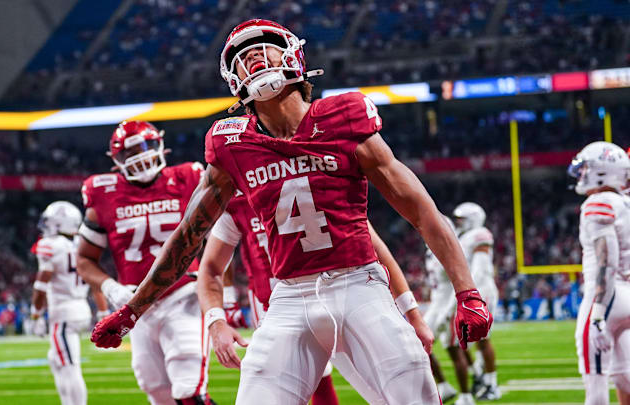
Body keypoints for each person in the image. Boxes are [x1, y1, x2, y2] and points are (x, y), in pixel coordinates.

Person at [91, 19, 492, 405]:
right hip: (288, 297)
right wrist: (132, 310)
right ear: (234, 80)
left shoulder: (345, 116)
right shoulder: (230, 143)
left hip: (358, 285)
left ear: (294, 58)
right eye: (243, 57)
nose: (255, 60)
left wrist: (466, 291)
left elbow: (422, 211)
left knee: (414, 395)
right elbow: (187, 237)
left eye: (264, 48)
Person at [197, 189, 434, 404]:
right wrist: (216, 320)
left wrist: (412, 313)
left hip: (345, 297)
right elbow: (210, 266)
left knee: (402, 395)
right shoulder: (239, 197)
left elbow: (377, 250)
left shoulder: (319, 175)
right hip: (278, 310)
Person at [76, 121, 213, 405]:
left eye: (147, 146)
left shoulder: (188, 177)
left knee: (189, 390)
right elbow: (84, 259)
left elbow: (222, 234)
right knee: (155, 390)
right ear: (116, 160)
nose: (141, 155)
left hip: (183, 295)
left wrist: (222, 288)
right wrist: (111, 288)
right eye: (131, 151)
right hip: (137, 306)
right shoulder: (102, 193)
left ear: (160, 144)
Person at [569, 142, 630, 405]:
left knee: (595, 386)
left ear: (602, 172)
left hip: (607, 298)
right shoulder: (625, 203)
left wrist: (597, 311)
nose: (582, 174)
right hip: (627, 293)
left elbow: (608, 261)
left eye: (586, 169)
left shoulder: (598, 202)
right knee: (624, 376)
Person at [30, 201, 93, 405]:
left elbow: (41, 285)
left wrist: (35, 314)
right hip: (80, 306)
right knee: (55, 359)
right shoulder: (83, 243)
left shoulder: (52, 246)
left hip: (64, 312)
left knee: (69, 366)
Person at [453, 202, 501, 401]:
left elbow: (480, 268)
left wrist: (471, 293)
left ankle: (492, 384)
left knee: (483, 340)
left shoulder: (480, 233)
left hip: (480, 290)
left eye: (462, 219)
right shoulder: (464, 237)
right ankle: (480, 376)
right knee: (460, 339)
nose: (459, 223)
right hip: (469, 290)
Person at [423, 216, 462, 403]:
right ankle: (444, 386)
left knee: (453, 349)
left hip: (448, 306)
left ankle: (466, 394)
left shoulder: (449, 249)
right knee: (420, 345)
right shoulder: (430, 251)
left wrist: (449, 311)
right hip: (436, 304)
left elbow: (458, 282)